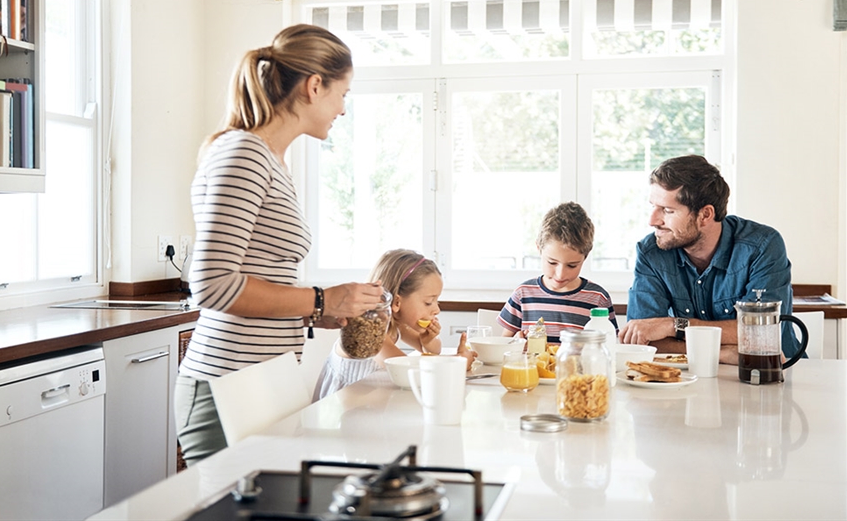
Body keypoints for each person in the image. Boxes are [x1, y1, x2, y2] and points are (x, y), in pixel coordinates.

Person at [175, 24, 385, 467]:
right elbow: (212, 284)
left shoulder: (269, 160)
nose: (343, 109)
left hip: (261, 378)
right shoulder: (245, 153)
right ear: (314, 86)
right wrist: (323, 297)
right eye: (342, 94)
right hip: (229, 384)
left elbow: (257, 277)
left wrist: (319, 311)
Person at [620, 154, 800, 363]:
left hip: (773, 374)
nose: (652, 221)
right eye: (653, 206)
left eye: (667, 210)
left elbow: (762, 333)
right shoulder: (651, 252)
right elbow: (643, 341)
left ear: (705, 215)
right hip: (686, 379)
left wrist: (671, 326)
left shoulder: (762, 245)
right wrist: (721, 353)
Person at [314, 249, 477, 401]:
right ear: (397, 301)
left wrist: (427, 341)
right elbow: (407, 374)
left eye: (436, 300)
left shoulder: (396, 322)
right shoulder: (370, 331)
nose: (436, 309)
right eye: (428, 302)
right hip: (342, 407)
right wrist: (458, 363)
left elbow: (434, 351)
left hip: (370, 402)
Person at [499, 202, 617, 341]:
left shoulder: (598, 298)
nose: (561, 274)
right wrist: (517, 342)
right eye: (552, 262)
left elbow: (610, 346)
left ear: (585, 256)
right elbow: (504, 345)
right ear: (539, 248)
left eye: (572, 265)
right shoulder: (523, 294)